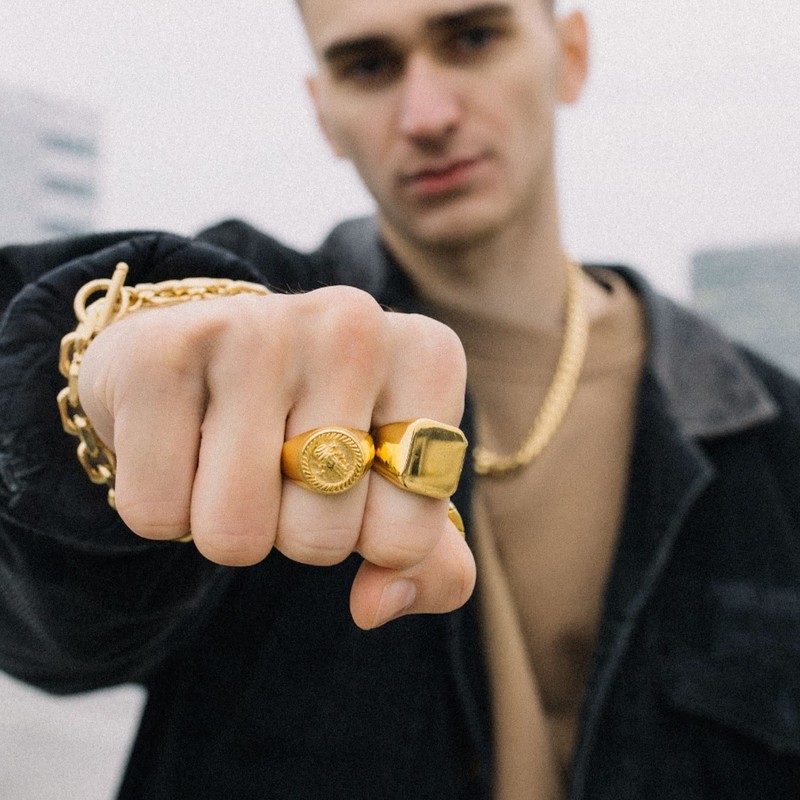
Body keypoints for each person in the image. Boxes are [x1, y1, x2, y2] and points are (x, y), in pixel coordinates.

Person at [1, 0, 798, 797]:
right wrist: (84, 399)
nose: (427, 116)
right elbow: (54, 640)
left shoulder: (775, 435)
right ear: (324, 112)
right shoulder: (243, 333)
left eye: (474, 38)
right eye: (369, 66)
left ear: (571, 56)